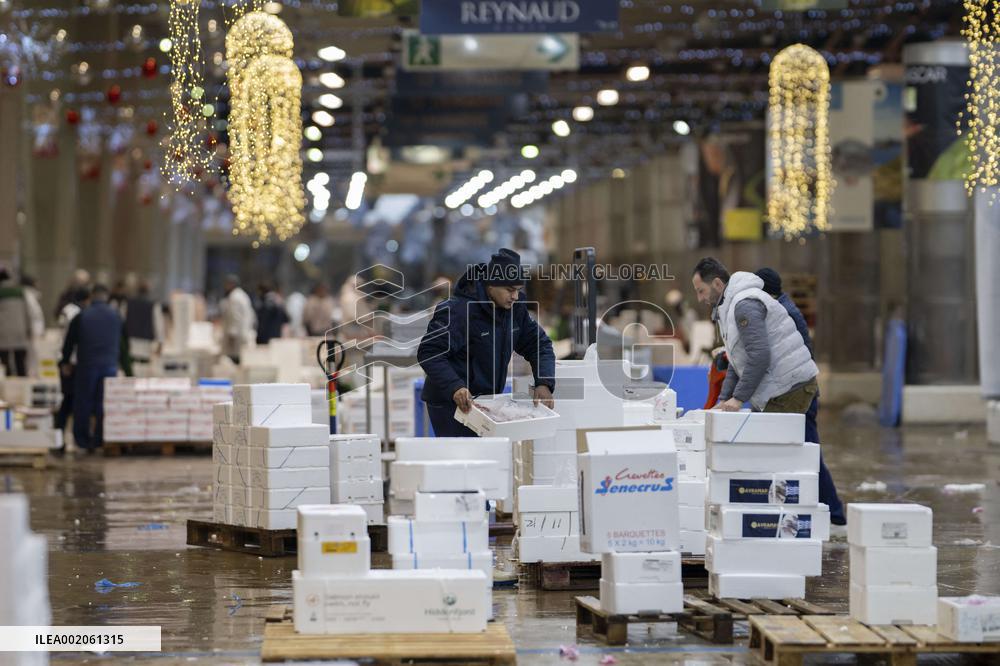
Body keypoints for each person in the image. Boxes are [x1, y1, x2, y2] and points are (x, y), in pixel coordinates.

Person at [692, 258, 845, 525]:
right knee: (793, 456)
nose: (699, 298)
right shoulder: (731, 306)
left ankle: (799, 524)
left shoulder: (744, 305)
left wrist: (738, 399)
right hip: (783, 388)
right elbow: (736, 361)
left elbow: (759, 356)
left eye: (701, 290)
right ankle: (803, 520)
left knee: (782, 459)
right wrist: (722, 400)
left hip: (790, 389)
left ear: (717, 284)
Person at [418, 248, 556, 436]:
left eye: (518, 290)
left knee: (489, 459)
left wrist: (544, 382)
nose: (515, 296)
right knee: (464, 460)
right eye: (509, 290)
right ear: (491, 285)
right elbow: (430, 352)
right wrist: (455, 386)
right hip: (451, 404)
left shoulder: (516, 310)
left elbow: (539, 345)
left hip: (486, 402)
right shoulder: (458, 311)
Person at [755, 267, 845, 525]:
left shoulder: (783, 313)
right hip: (798, 394)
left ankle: (836, 516)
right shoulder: (782, 309)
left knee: (809, 456)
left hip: (800, 397)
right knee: (806, 455)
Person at [60, 284, 132, 452]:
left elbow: (69, 343)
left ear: (92, 297)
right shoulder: (116, 316)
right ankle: (100, 439)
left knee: (83, 403)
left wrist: (65, 362)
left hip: (87, 366)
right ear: (106, 297)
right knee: (104, 404)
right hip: (109, 367)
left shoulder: (82, 316)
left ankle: (83, 441)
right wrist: (126, 368)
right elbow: (125, 345)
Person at [55, 286, 91, 439]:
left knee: (67, 400)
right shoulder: (76, 314)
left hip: (64, 359)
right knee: (70, 401)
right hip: (71, 363)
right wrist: (67, 362)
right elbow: (71, 341)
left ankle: (59, 436)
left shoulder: (66, 310)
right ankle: (64, 436)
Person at [123, 280, 165, 365]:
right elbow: (158, 325)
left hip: (130, 341)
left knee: (131, 370)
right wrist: (160, 342)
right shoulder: (153, 304)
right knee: (143, 370)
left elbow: (122, 321)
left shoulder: (128, 302)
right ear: (148, 290)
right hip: (146, 344)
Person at [0, 267, 32, 377]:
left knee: (5, 363)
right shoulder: (20, 291)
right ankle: (22, 385)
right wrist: (29, 329)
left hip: (3, 331)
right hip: (20, 329)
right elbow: (28, 313)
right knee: (20, 362)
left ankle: (8, 390)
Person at [220, 275, 255, 364]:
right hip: (243, 333)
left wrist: (232, 334)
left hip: (237, 337)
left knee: (235, 361)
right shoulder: (242, 295)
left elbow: (235, 317)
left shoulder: (234, 297)